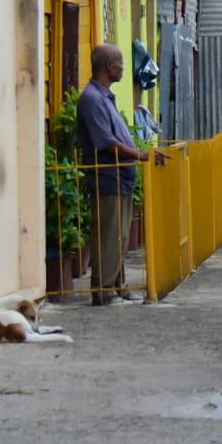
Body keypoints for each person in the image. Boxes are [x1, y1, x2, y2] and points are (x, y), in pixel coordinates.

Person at [76, 44, 166, 306]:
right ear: (108, 66)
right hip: (108, 178)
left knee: (119, 236)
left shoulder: (103, 97)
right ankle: (104, 290)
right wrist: (140, 154)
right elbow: (107, 143)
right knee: (109, 235)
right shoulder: (92, 99)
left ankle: (118, 286)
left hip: (120, 178)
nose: (124, 68)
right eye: (120, 63)